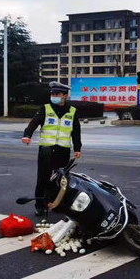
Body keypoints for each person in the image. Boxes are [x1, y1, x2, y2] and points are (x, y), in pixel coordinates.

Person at [21, 82, 82, 217]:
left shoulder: (72, 111)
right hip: (46, 149)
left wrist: (78, 148)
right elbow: (34, 123)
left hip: (63, 150)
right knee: (43, 178)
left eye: (57, 94)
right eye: (52, 94)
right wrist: (27, 135)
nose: (54, 96)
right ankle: (40, 206)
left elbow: (76, 131)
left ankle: (55, 203)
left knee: (59, 179)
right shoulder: (45, 108)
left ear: (65, 96)